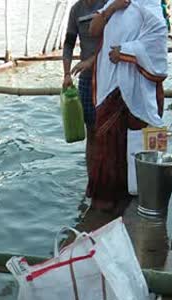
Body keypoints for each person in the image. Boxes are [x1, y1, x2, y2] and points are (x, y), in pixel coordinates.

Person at [88, 0, 168, 212]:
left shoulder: (148, 6)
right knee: (107, 143)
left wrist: (126, 51)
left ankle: (144, 194)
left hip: (138, 88)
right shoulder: (112, 5)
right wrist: (112, 8)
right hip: (109, 85)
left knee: (141, 141)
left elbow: (158, 39)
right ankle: (106, 203)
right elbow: (93, 29)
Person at [63, 0, 106, 171]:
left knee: (110, 131)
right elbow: (68, 43)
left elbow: (116, 42)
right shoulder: (76, 10)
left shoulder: (107, 4)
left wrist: (90, 61)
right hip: (87, 78)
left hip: (108, 76)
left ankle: (109, 179)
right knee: (92, 131)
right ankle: (92, 179)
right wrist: (67, 74)